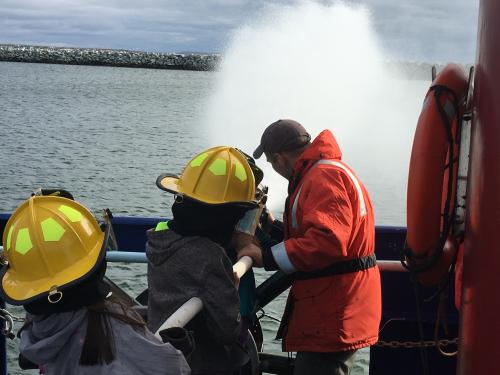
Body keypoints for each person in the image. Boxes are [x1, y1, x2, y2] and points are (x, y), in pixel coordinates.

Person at [237, 119, 382, 375]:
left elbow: (329, 242)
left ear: (280, 158)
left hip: (334, 309)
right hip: (336, 305)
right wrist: (273, 228)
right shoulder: (326, 171)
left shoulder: (323, 177)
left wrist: (265, 256)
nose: (275, 168)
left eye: (271, 163)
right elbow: (322, 235)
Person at [0, 193, 190, 375]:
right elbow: (173, 368)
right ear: (97, 265)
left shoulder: (37, 331)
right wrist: (179, 349)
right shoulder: (117, 332)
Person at [147, 146, 264, 375]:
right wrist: (230, 288)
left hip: (166, 354)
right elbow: (228, 328)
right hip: (202, 363)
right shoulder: (209, 257)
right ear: (226, 216)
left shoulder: (157, 239)